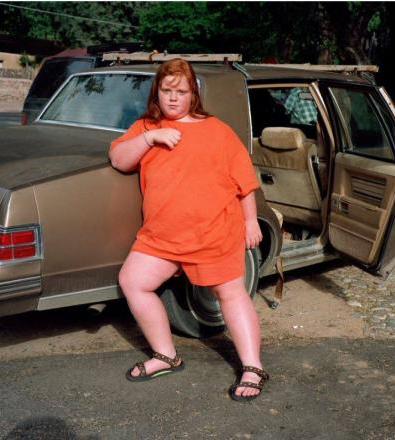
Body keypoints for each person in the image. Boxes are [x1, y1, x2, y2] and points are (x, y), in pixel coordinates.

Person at [108, 59, 269, 402]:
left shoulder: (218, 131)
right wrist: (151, 137)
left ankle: (253, 367)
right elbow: (119, 159)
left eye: (181, 91)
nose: (173, 98)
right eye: (166, 90)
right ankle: (166, 356)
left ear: (193, 93)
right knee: (133, 282)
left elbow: (244, 183)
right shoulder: (146, 127)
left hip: (213, 233)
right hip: (161, 237)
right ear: (158, 91)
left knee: (231, 294)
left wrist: (250, 220)